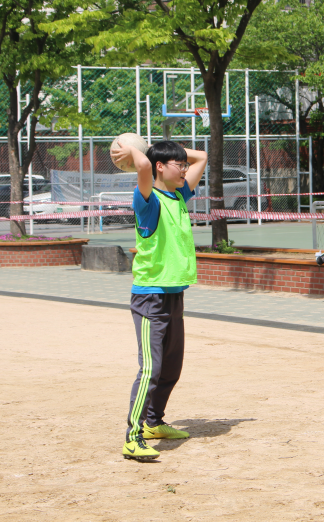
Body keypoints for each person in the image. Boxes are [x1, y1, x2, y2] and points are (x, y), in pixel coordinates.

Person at [110, 139, 208, 461]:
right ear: (160, 168)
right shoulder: (148, 202)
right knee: (150, 369)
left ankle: (154, 422)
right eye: (178, 165)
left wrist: (155, 148)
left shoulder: (178, 196)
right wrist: (137, 151)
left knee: (171, 368)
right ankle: (133, 436)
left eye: (183, 165)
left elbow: (202, 157)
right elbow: (142, 166)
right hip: (150, 296)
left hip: (174, 294)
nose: (185, 169)